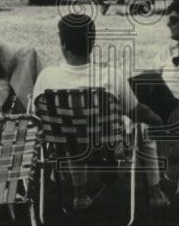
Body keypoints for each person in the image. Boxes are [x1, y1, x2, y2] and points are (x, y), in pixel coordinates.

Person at [33, 14, 168, 209]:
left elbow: (37, 118)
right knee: (145, 129)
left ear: (63, 43)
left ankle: (80, 196)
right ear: (92, 42)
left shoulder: (47, 78)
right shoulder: (111, 75)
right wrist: (157, 120)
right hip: (107, 148)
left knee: (71, 130)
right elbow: (138, 112)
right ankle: (156, 194)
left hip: (65, 148)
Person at [132, 0, 179, 128]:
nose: (168, 25)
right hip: (164, 113)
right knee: (131, 84)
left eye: (174, 20)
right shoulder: (168, 51)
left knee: (148, 79)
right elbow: (148, 78)